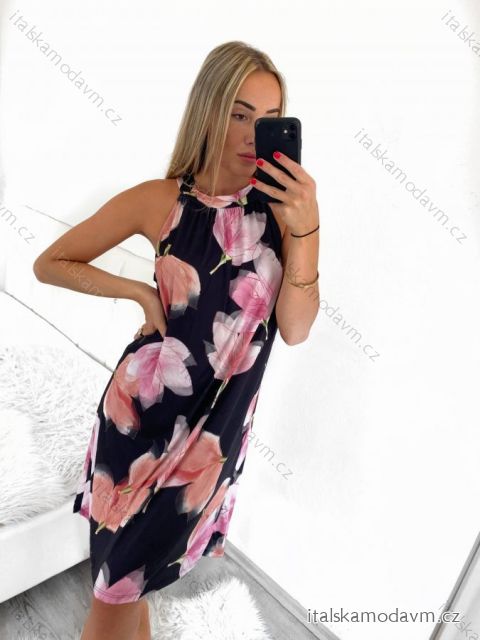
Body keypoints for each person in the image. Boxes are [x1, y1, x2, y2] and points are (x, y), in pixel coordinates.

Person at [33, 40, 319, 640]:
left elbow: (294, 328)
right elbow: (51, 263)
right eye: (239, 113)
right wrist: (139, 293)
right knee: (115, 592)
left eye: (269, 119)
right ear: (209, 110)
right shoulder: (161, 201)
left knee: (132, 585)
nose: (253, 134)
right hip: (138, 423)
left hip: (211, 442)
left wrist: (308, 231)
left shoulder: (286, 215)